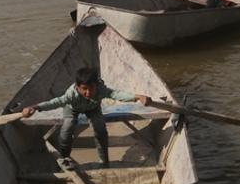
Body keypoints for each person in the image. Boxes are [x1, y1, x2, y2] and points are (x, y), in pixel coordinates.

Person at [21, 66, 151, 168]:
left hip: (93, 108)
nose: (88, 93)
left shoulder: (101, 90)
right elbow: (54, 102)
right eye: (84, 89)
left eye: (91, 88)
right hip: (73, 109)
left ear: (96, 85)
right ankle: (65, 157)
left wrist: (137, 97)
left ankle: (104, 161)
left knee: (100, 128)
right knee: (67, 129)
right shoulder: (71, 95)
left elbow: (117, 94)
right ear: (78, 87)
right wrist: (35, 107)